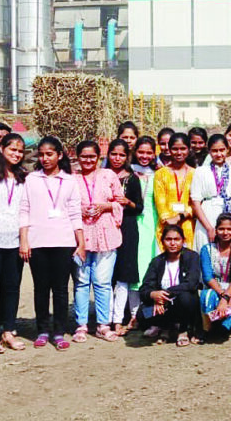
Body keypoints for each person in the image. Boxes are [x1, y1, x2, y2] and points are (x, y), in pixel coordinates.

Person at [19, 136, 85, 351]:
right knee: (40, 288)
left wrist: (80, 243)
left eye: (49, 154)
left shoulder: (69, 181)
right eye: (41, 154)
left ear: (60, 155)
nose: (45, 158)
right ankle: (42, 330)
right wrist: (24, 241)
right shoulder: (31, 180)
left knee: (60, 289)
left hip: (63, 241)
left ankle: (59, 331)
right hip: (38, 242)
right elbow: (24, 210)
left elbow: (76, 213)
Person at [73, 140, 124, 343]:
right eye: (84, 156)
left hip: (106, 235)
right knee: (82, 282)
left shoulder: (109, 175)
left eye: (92, 156)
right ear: (78, 157)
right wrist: (80, 210)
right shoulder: (72, 179)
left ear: (98, 157)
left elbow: (120, 202)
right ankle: (81, 325)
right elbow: (66, 205)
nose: (88, 160)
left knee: (103, 282)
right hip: (80, 236)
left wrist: (105, 206)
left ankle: (103, 324)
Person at [0, 133, 28, 353]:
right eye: (12, 149)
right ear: (1, 149)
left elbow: (25, 211)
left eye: (20, 151)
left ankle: (8, 330)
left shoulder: (22, 177)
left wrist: (24, 240)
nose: (16, 154)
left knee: (12, 288)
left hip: (15, 240)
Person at [139, 225, 203, 346]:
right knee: (142, 314)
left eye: (176, 239)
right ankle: (165, 326)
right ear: (162, 241)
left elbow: (191, 284)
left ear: (183, 240)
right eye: (168, 239)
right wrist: (153, 294)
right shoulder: (157, 261)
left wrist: (164, 294)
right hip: (164, 306)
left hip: (182, 303)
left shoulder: (192, 257)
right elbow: (145, 288)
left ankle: (183, 330)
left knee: (186, 298)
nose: (172, 243)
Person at [107, 139, 145, 336]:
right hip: (106, 227)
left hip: (127, 228)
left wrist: (127, 201)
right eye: (114, 154)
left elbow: (139, 207)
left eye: (122, 155)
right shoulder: (102, 176)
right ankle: (109, 317)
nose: (117, 158)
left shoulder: (132, 178)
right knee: (107, 275)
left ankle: (125, 318)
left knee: (126, 273)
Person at [127, 137, 161, 332]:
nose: (145, 156)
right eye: (141, 152)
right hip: (134, 224)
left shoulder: (158, 174)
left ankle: (153, 316)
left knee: (152, 267)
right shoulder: (128, 173)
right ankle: (134, 315)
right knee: (136, 270)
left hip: (153, 224)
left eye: (149, 153)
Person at [190, 134, 231, 249]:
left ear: (227, 150)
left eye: (222, 150)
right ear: (209, 151)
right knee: (208, 251)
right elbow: (195, 202)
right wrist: (209, 228)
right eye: (215, 151)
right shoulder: (200, 171)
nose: (219, 154)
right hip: (207, 215)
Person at [199, 213, 231, 335]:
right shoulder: (207, 249)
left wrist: (228, 297)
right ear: (216, 230)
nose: (225, 232)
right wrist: (224, 297)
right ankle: (208, 328)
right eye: (221, 229)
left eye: (229, 229)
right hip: (214, 288)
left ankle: (226, 328)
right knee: (207, 297)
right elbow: (207, 277)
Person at [154, 133, 196, 249]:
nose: (179, 152)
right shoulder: (160, 174)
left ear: (189, 149)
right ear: (170, 149)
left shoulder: (195, 174)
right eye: (175, 149)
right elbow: (160, 202)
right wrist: (168, 220)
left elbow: (196, 203)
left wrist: (180, 217)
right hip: (166, 227)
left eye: (183, 148)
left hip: (188, 226)